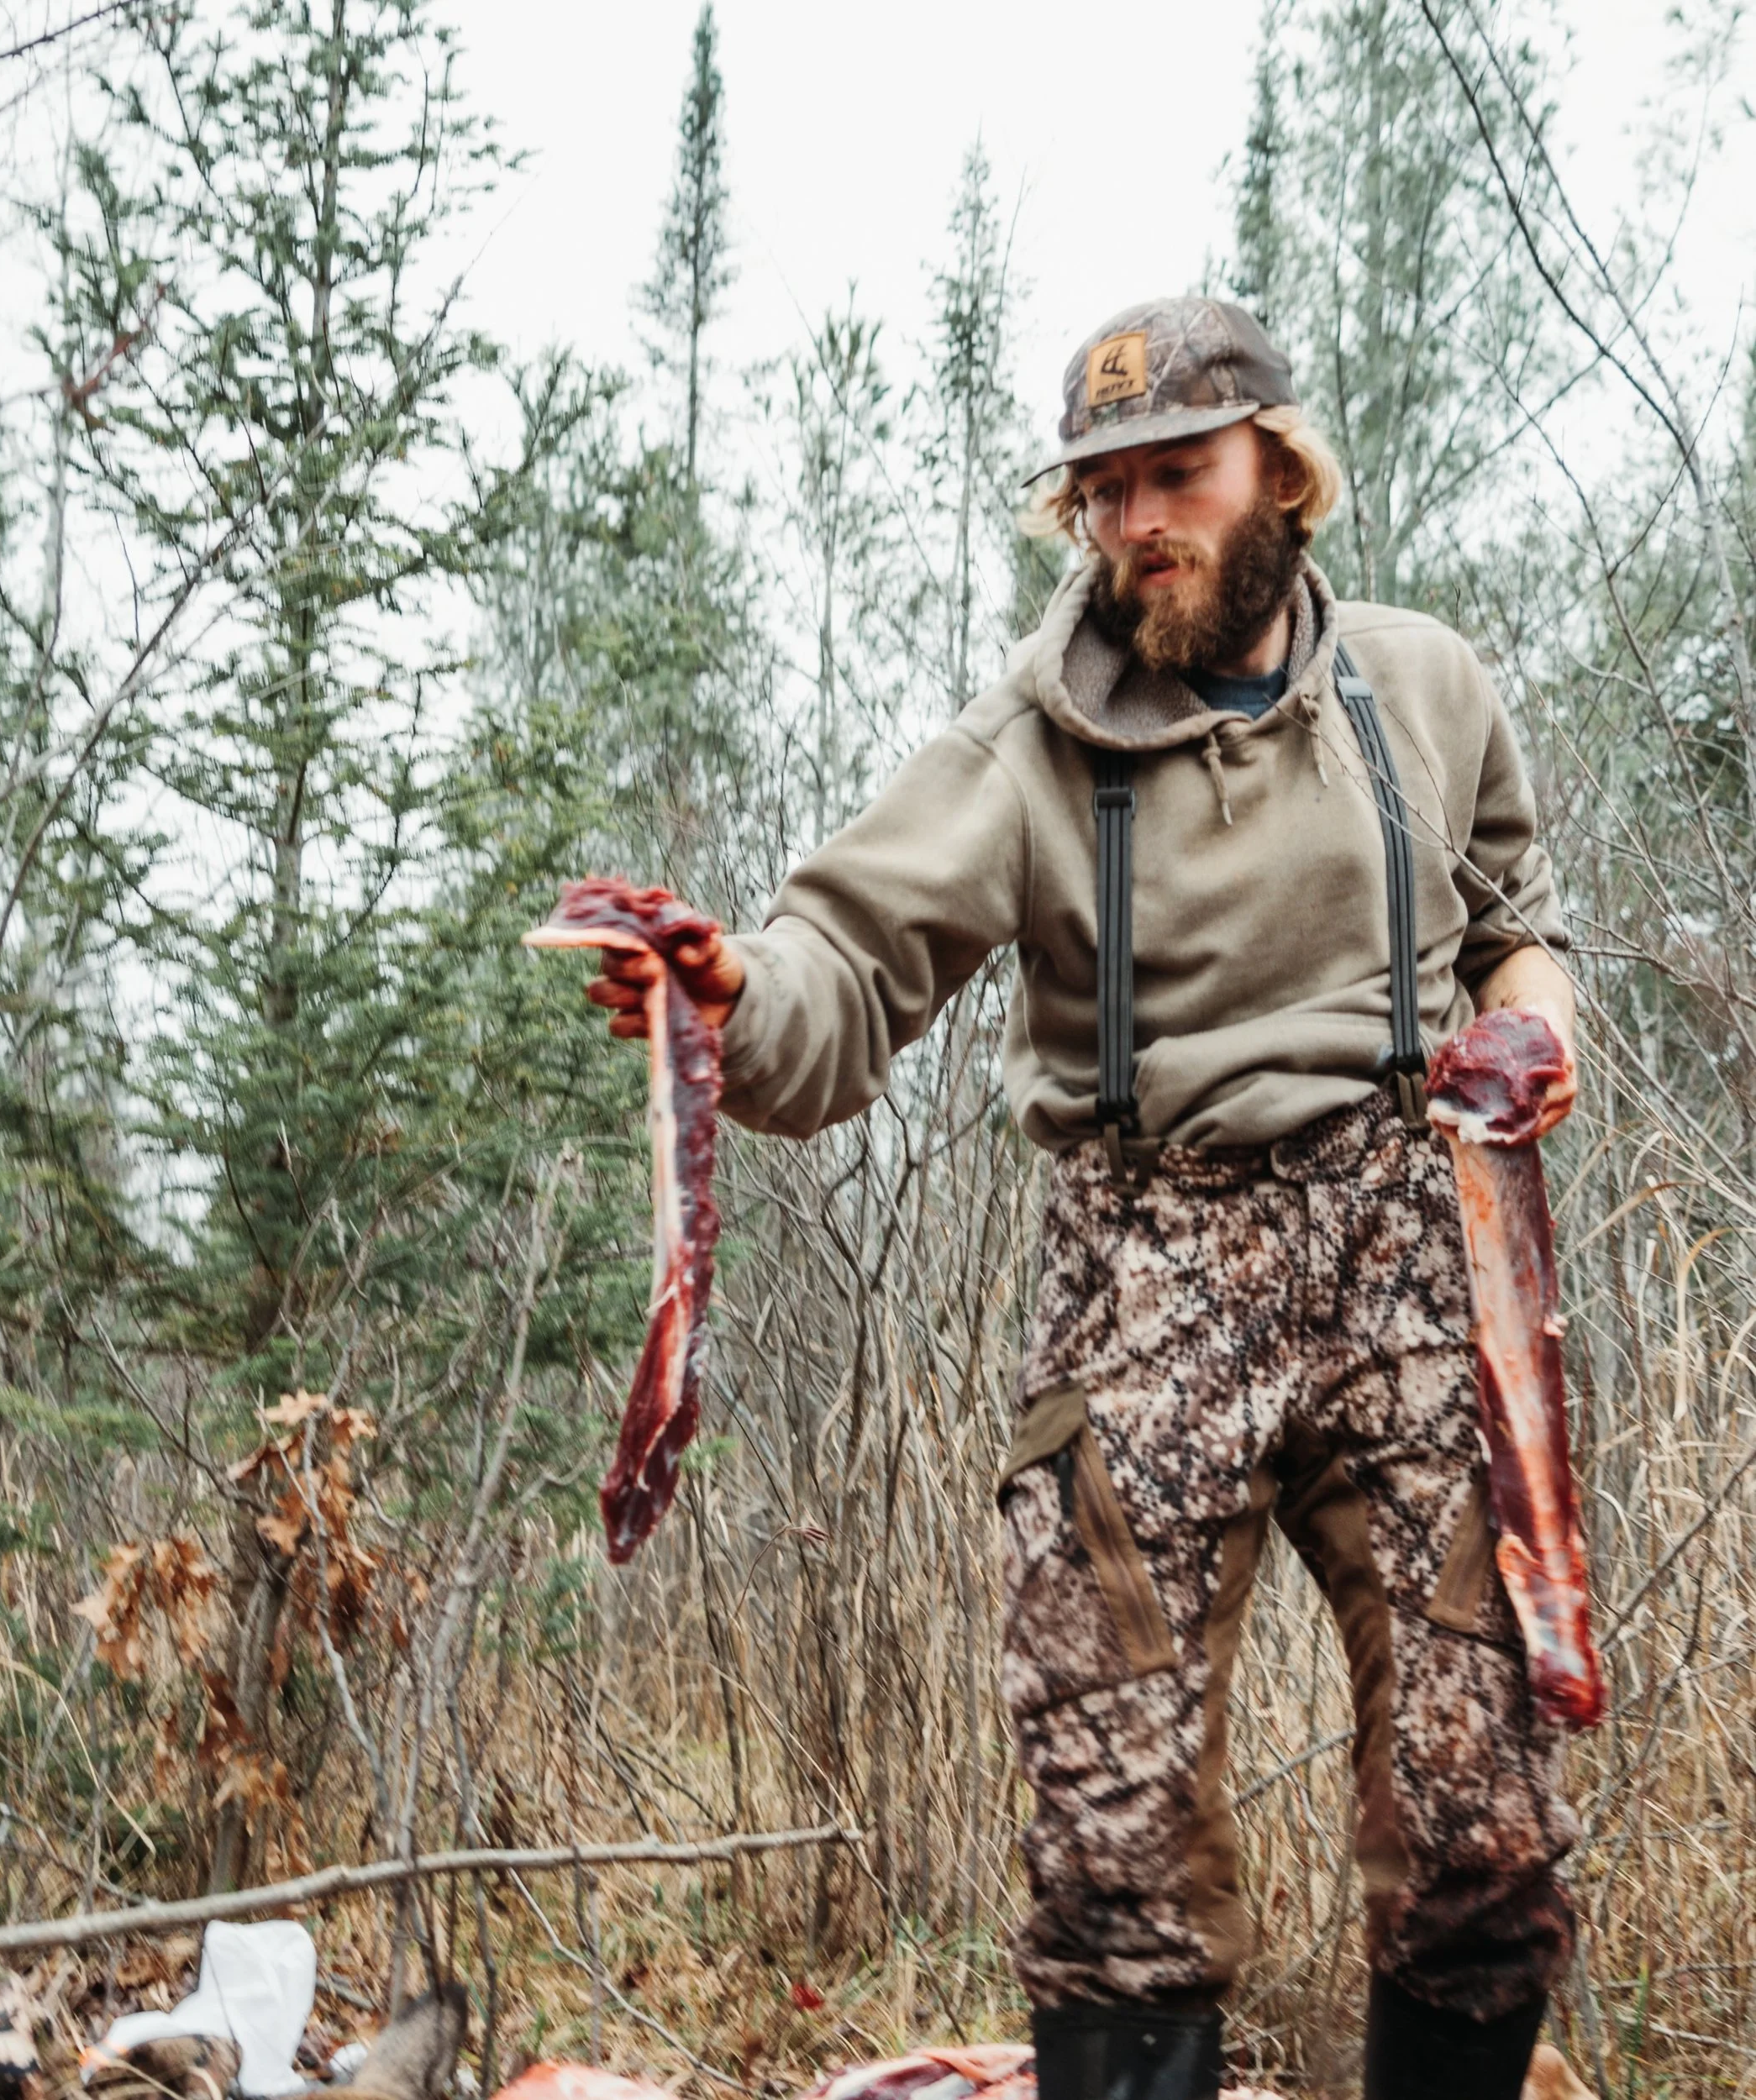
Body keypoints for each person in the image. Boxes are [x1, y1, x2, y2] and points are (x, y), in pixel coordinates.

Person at [584, 297, 1580, 2100]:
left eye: (1173, 475)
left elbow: (1512, 915)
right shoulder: (1019, 753)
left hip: (1401, 1252)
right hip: (1143, 1267)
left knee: (1476, 1804)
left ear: (1279, 466)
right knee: (1107, 1837)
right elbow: (834, 974)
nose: (1138, 521)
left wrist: (1532, 1020)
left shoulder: (1422, 686)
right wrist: (726, 996)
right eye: (1102, 491)